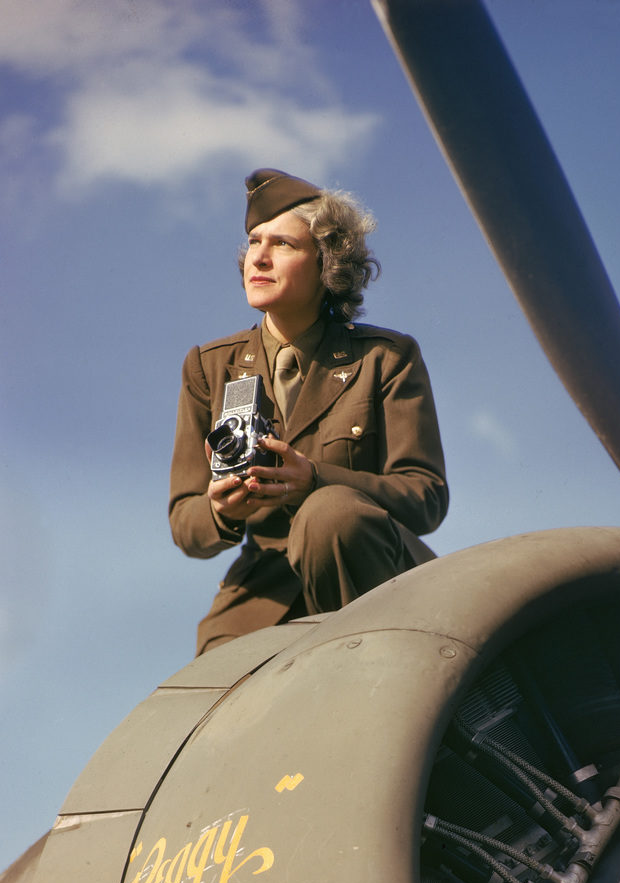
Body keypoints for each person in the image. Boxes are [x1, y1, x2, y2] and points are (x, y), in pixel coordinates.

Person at [169, 168, 448, 654]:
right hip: (262, 596)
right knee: (206, 712)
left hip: (376, 578)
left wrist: (316, 480)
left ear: (327, 264)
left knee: (330, 513)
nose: (258, 257)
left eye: (283, 244)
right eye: (254, 241)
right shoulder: (209, 367)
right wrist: (221, 511)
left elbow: (425, 499)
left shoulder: (387, 357)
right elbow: (185, 524)